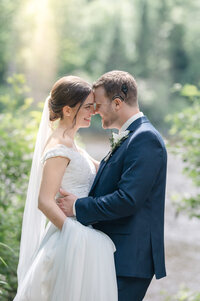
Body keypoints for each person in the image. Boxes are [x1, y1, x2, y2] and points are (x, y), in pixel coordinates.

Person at [57, 70, 167, 301]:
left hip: (129, 259)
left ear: (117, 103)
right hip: (115, 254)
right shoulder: (131, 136)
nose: (94, 111)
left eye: (97, 104)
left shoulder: (145, 138)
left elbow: (128, 199)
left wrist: (78, 207)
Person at [14, 76, 118, 301]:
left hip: (81, 235)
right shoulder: (58, 147)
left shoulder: (73, 144)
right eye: (88, 107)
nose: (93, 111)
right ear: (68, 110)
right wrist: (76, 236)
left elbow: (101, 171)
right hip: (68, 239)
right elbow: (44, 201)